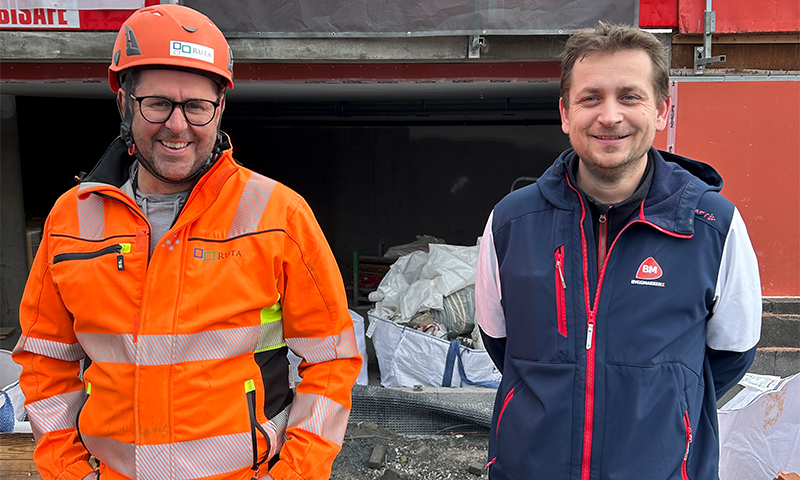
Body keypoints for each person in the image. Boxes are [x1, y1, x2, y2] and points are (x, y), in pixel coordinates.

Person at [12, 5, 361, 480]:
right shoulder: (70, 219)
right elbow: (45, 363)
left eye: (197, 106)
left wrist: (295, 475)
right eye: (158, 103)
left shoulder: (278, 215)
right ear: (124, 102)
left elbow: (331, 361)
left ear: (220, 108)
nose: (178, 125)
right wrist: (69, 472)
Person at [475, 23, 761, 479]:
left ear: (661, 111)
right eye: (591, 98)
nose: (610, 116)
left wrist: (668, 409)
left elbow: (732, 353)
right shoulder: (511, 223)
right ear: (566, 114)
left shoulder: (713, 226)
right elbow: (499, 341)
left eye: (630, 96)